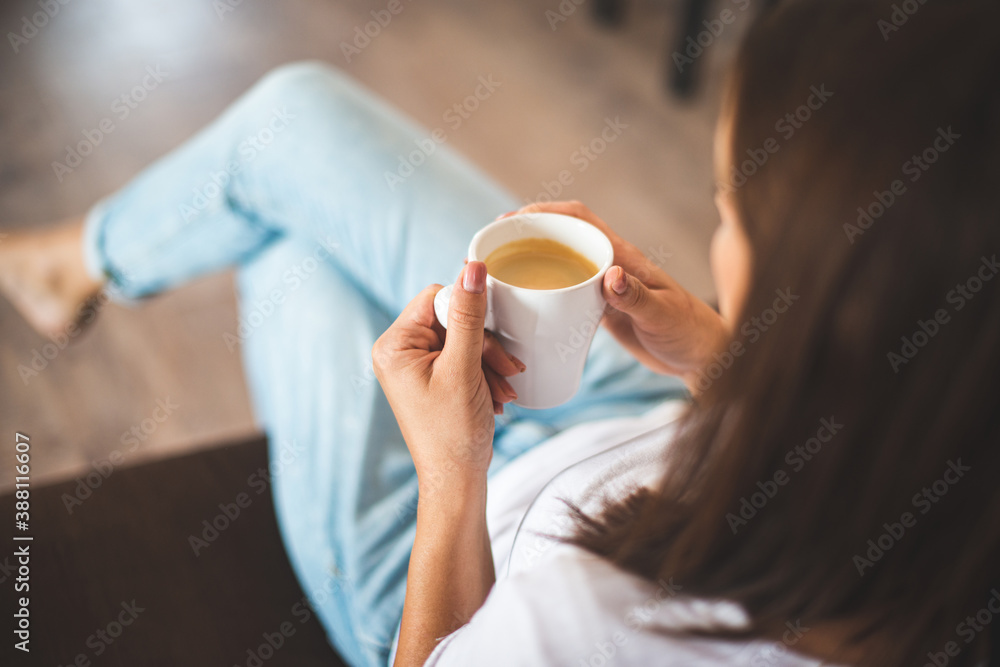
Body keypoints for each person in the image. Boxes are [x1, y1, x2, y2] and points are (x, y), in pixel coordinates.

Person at [1, 0, 997, 665]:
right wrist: (719, 360)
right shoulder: (948, 447)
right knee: (290, 121)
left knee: (286, 244)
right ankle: (74, 262)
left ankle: (74, 269)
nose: (712, 235)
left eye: (728, 212)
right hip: (653, 424)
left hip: (448, 559)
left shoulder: (588, 623)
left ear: (829, 298)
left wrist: (453, 471)